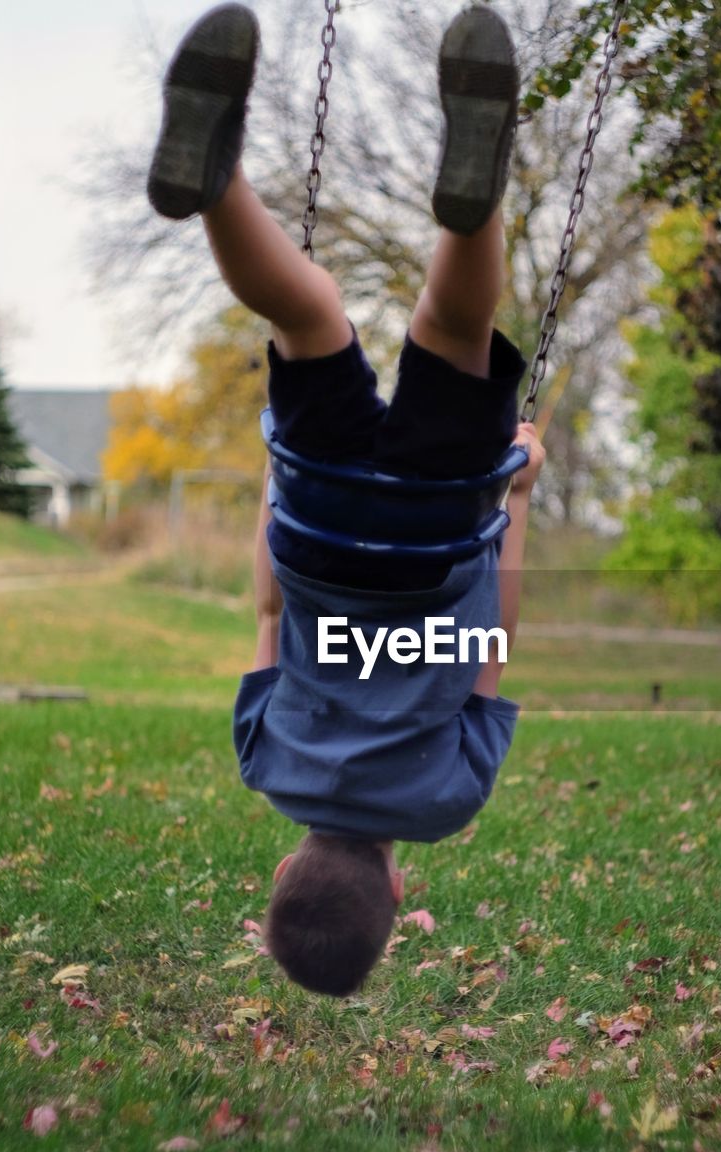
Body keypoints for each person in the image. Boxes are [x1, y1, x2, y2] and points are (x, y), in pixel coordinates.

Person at [148, 2, 546, 997]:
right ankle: (216, 187)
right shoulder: (264, 762)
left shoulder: (447, 799)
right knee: (305, 310)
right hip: (317, 529)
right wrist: (282, 492)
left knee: (452, 332)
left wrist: (516, 495)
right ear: (284, 868)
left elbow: (489, 641)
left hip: (430, 537)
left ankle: (473, 207)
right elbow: (271, 609)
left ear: (398, 886)